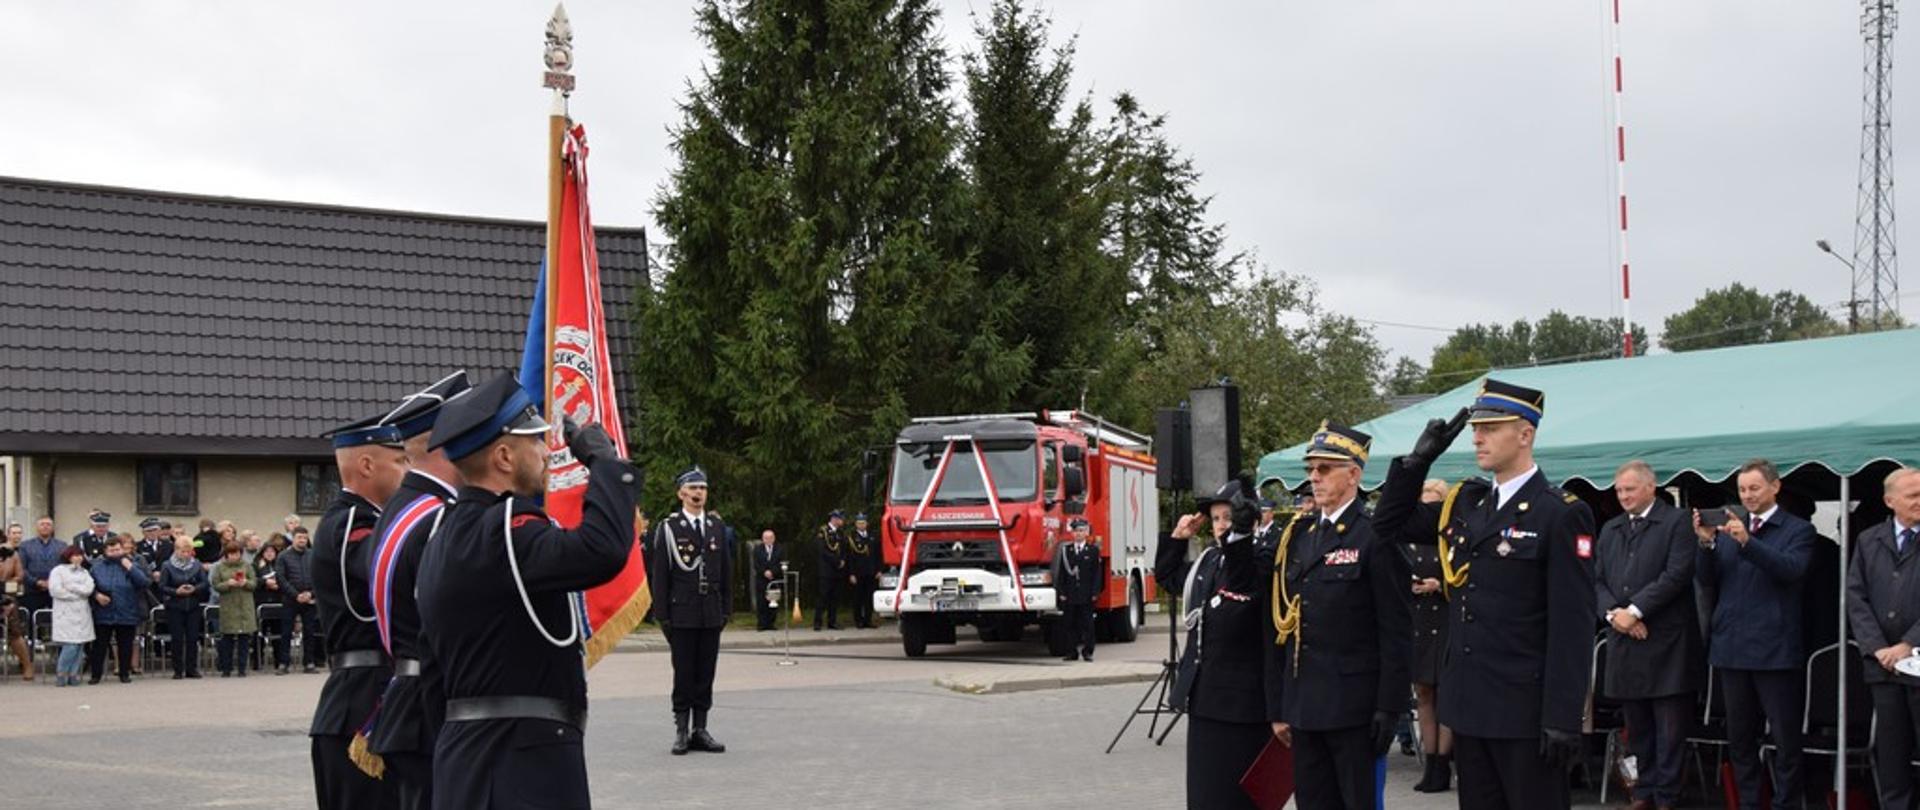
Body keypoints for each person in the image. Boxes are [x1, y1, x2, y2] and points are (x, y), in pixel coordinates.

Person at [416, 372, 637, 809]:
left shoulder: (441, 536)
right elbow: (602, 550)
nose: (547, 453)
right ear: (503, 455)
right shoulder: (507, 530)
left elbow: (431, 671)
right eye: (535, 442)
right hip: (523, 767)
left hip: (465, 759)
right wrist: (605, 464)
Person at [1373, 380, 1596, 810]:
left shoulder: (1560, 512)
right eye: (1477, 427)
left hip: (1525, 715)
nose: (1478, 436)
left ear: (1525, 434)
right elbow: (1386, 526)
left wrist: (1563, 717)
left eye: (1492, 427)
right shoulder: (1468, 505)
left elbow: (1573, 624)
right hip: (1469, 711)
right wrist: (1419, 462)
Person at [1266, 423, 1412, 810]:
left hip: (1354, 708)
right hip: (1305, 706)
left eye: (1325, 468)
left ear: (1354, 474)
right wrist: (1280, 706)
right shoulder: (1299, 535)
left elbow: (1396, 629)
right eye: (1311, 468)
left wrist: (1389, 707)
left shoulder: (1373, 535)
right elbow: (1287, 627)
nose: (1314, 477)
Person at [362, 371, 468, 810]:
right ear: (451, 441)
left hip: (407, 698)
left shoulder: (401, 509)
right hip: (431, 706)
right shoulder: (439, 517)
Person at [1696, 458, 1813, 810]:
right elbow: (1707, 580)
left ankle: (1785, 803)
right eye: (1743, 489)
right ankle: (1748, 803)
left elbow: (1791, 570)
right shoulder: (1732, 530)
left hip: (1775, 649)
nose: (1747, 495)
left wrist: (1748, 543)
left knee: (1784, 737)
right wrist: (1705, 545)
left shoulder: (1797, 530)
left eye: (1754, 488)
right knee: (1740, 737)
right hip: (1732, 646)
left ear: (1775, 487)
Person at [308, 407, 410, 809]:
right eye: (401, 460)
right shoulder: (352, 521)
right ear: (367, 464)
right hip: (361, 702)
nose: (408, 470)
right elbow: (395, 577)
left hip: (367, 692)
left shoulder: (366, 518)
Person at [1153, 476, 1275, 810]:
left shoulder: (1263, 559)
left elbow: (1243, 578)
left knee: (1244, 799)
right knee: (1205, 797)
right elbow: (1169, 578)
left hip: (1245, 704)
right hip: (1206, 698)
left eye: (1229, 518)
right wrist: (1178, 538)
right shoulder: (1211, 560)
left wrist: (1241, 536)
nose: (1221, 526)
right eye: (1217, 518)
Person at [1594, 460, 1700, 810]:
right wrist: (1615, 615)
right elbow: (1595, 580)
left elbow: (1677, 574)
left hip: (1666, 641)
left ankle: (1667, 795)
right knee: (1637, 726)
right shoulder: (1610, 529)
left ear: (1651, 487)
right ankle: (1644, 791)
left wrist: (1636, 610)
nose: (1623, 496)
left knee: (1669, 728)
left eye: (1630, 489)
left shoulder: (1676, 522)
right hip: (1625, 640)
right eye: (1619, 490)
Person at [1848, 466, 1920, 810]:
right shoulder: (1868, 540)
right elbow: (1855, 596)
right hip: (1884, 668)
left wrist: (1908, 643)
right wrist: (1877, 647)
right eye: (1913, 496)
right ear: (1890, 501)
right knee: (1891, 752)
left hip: (1917, 660)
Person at [651, 466, 734, 755]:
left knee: (705, 673)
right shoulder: (670, 529)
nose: (699, 493)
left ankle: (701, 728)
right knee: (684, 672)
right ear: (681, 493)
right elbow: (660, 575)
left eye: (703, 488)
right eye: (693, 488)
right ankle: (681, 730)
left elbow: (725, 572)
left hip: (710, 612)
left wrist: (726, 610)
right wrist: (662, 616)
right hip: (682, 613)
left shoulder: (715, 528)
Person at [1409, 478, 1454, 792]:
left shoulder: (1451, 539)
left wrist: (1440, 586)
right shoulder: (1412, 541)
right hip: (1419, 621)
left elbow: (1466, 580)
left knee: (1447, 695)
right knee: (1424, 694)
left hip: (1446, 619)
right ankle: (1430, 761)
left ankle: (1443, 762)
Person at [87, 535, 150, 684]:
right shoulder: (97, 566)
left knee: (125, 644)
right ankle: (96, 675)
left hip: (127, 609)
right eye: (111, 550)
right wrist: (96, 595)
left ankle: (124, 673)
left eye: (117, 549)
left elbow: (144, 582)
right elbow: (89, 585)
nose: (115, 553)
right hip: (104, 610)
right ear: (105, 551)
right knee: (100, 645)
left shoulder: (132, 563)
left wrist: (131, 568)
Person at [157, 536, 210, 679]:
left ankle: (191, 668)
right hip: (175, 605)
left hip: (193, 604)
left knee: (193, 638)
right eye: (183, 552)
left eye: (188, 551)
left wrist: (194, 588)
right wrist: (176, 591)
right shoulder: (167, 565)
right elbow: (162, 586)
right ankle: (178, 669)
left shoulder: (196, 564)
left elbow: (204, 583)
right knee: (177, 638)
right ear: (176, 550)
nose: (186, 554)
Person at [1052, 517, 1104, 662]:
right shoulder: (1066, 551)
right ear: (1072, 533)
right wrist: (1061, 592)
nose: (1079, 534)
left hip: (1086, 595)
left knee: (1087, 624)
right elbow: (1062, 573)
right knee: (1070, 624)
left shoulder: (1093, 551)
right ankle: (1071, 652)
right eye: (1076, 531)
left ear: (1086, 533)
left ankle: (1088, 652)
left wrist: (1095, 592)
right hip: (1070, 594)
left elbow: (1096, 574)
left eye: (1081, 531)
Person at [48, 546, 95, 687]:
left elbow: (89, 589)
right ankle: (61, 674)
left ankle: (73, 674)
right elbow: (56, 590)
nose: (78, 558)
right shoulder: (58, 571)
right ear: (68, 556)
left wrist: (72, 587)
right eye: (75, 555)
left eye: (80, 555)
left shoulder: (85, 572)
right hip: (65, 612)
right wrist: (75, 595)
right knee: (70, 645)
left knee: (80, 645)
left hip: (82, 611)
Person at [276, 526, 321, 673]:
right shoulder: (283, 556)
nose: (302, 540)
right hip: (290, 600)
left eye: (305, 537)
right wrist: (296, 595)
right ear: (293, 539)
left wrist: (311, 594)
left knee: (309, 632)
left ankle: (309, 663)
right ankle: (284, 663)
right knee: (286, 632)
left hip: (309, 600)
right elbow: (281, 579)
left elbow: (319, 577)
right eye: (299, 537)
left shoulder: (313, 555)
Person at [211, 540, 257, 678]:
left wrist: (245, 583)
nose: (234, 556)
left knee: (244, 639)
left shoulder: (247, 566)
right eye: (231, 554)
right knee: (227, 639)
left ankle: (242, 669)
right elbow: (215, 585)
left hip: (244, 605)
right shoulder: (219, 567)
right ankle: (226, 668)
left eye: (236, 554)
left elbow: (254, 583)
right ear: (226, 555)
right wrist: (227, 584)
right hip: (228, 606)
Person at [0, 527, 32, 680]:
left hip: (6, 595)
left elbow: (20, 575)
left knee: (15, 633)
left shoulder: (12, 555)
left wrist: (8, 583)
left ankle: (27, 666)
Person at [17, 516, 65, 615]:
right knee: (32, 621)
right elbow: (22, 568)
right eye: (42, 524)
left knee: (56, 620)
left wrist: (51, 582)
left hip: (55, 591)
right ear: (37, 527)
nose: (45, 527)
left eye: (48, 524)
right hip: (32, 591)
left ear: (53, 528)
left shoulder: (62, 545)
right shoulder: (25, 546)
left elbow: (64, 567)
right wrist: (37, 582)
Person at [814, 510, 849, 631]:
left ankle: (832, 621)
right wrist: (836, 561)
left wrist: (843, 560)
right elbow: (822, 550)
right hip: (827, 569)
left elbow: (844, 548)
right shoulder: (823, 531)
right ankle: (817, 622)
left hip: (838, 570)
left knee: (835, 598)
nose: (842, 521)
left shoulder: (840, 533)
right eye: (840, 519)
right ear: (834, 519)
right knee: (823, 596)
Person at [848, 513, 882, 629]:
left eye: (863, 523)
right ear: (856, 524)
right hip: (858, 573)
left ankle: (868, 620)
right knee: (858, 598)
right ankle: (859, 621)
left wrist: (879, 570)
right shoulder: (852, 538)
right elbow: (850, 558)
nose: (861, 525)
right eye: (859, 523)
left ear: (866, 524)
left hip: (871, 572)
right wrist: (851, 573)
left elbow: (878, 554)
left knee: (869, 598)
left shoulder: (873, 536)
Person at [752, 529, 784, 631]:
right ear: (763, 539)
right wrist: (765, 572)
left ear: (774, 539)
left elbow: (781, 563)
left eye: (770, 538)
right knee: (761, 602)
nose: (768, 540)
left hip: (775, 578)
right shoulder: (757, 549)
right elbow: (756, 564)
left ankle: (771, 623)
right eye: (766, 538)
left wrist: (772, 572)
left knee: (773, 601)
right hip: (762, 579)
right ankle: (761, 624)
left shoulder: (780, 549)